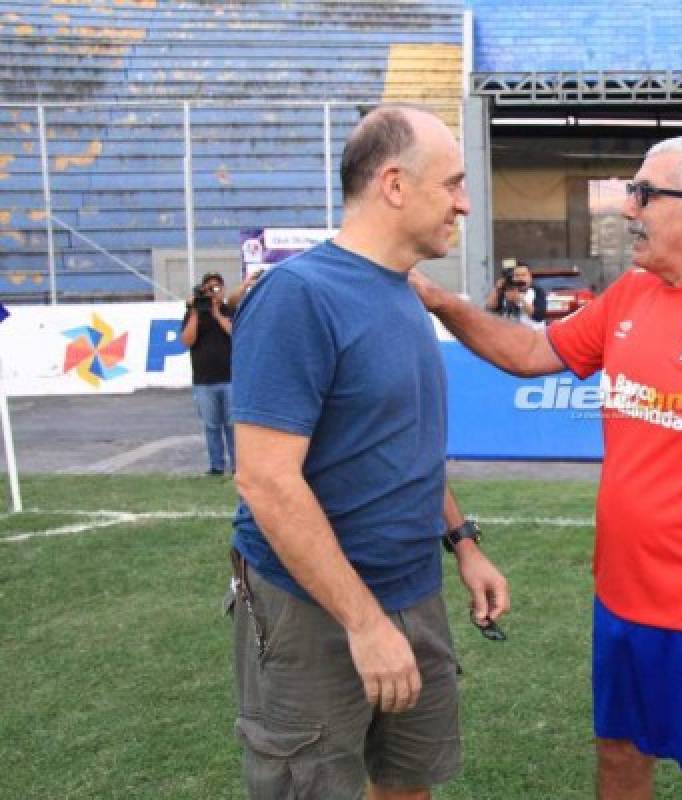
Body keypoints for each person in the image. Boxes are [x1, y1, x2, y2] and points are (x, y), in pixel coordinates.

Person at [411, 133, 682, 800]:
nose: (629, 210)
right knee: (620, 758)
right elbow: (530, 354)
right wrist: (443, 302)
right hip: (621, 599)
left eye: (645, 194)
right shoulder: (633, 293)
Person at [228, 105, 510, 800]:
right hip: (312, 607)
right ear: (393, 185)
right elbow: (265, 482)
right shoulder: (299, 296)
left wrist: (462, 540)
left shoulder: (404, 292)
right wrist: (364, 623)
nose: (465, 203)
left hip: (414, 588)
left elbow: (403, 445)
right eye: (452, 183)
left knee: (408, 784)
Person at [180, 271, 235, 475]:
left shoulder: (228, 310)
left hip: (229, 377)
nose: (213, 292)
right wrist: (195, 311)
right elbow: (187, 341)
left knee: (232, 425)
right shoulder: (194, 313)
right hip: (204, 379)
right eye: (209, 288)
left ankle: (237, 465)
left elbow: (233, 332)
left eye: (216, 288)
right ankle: (216, 465)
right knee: (212, 425)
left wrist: (216, 312)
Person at [484, 262, 547, 328]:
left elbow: (539, 316)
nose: (520, 278)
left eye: (523, 275)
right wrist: (497, 289)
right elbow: (490, 309)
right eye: (517, 275)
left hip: (531, 333)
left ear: (530, 277)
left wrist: (520, 300)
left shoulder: (537, 291)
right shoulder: (505, 290)